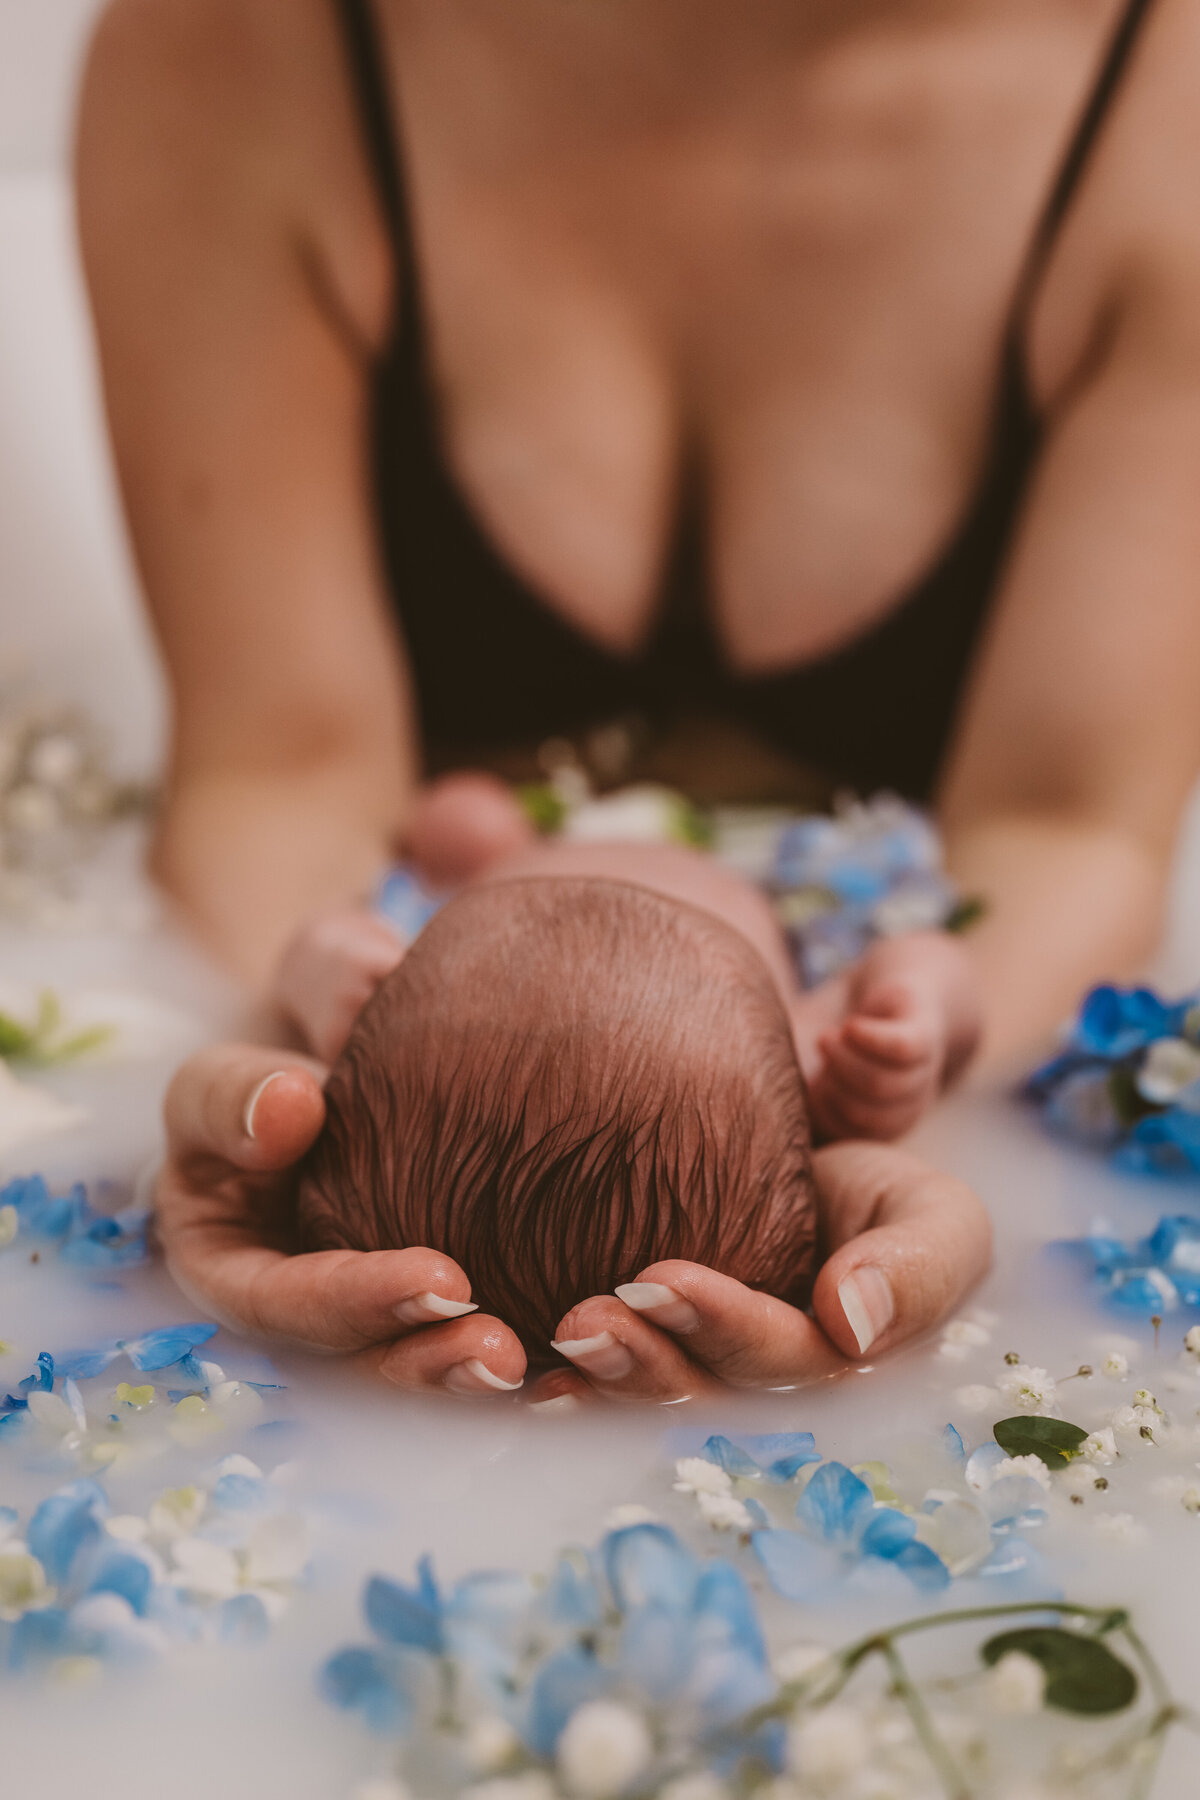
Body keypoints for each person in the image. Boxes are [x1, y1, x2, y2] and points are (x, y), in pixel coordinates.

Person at [81, 0, 1200, 1401]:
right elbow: (279, 775)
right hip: (455, 929)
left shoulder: (1169, 99)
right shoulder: (251, 43)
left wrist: (860, 1117)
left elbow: (1068, 826)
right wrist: (319, 1077)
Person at [291, 816, 983, 1368]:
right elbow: (933, 955)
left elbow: (314, 938)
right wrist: (917, 1017)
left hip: (497, 864)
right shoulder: (800, 1058)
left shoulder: (395, 1001)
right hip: (769, 857)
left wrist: (325, 971)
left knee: (463, 823)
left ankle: (482, 845)